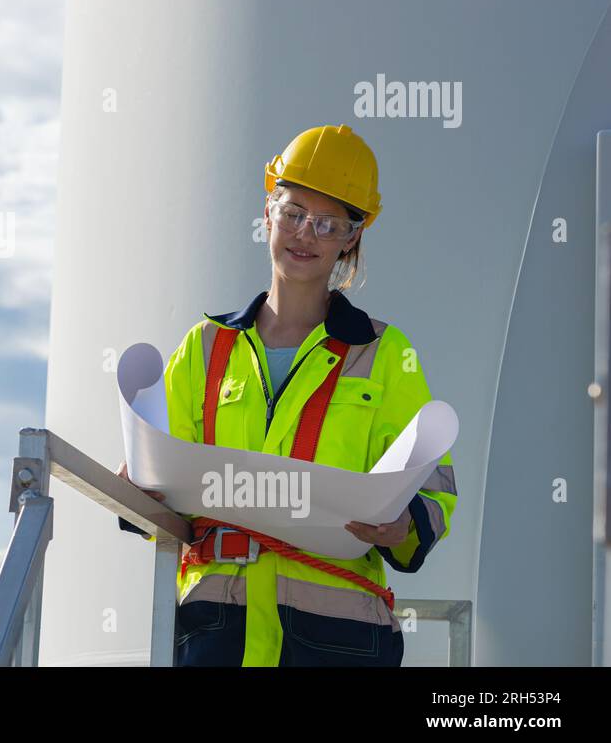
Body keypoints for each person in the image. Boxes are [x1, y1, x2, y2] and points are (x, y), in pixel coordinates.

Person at [116, 123, 457, 666]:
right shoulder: (206, 347)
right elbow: (155, 478)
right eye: (294, 212)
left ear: (352, 236)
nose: (304, 234)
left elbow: (434, 489)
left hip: (338, 637)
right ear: (268, 212)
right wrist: (138, 484)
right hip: (218, 630)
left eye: (327, 224)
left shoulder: (385, 354)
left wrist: (400, 526)